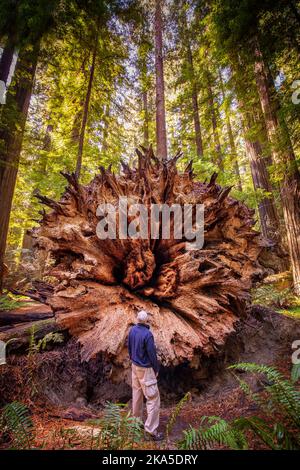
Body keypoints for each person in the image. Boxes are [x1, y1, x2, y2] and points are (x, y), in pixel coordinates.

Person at [128, 310, 163, 441]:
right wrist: (156, 368)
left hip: (135, 366)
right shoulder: (147, 334)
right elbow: (152, 354)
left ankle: (136, 424)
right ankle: (151, 430)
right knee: (153, 398)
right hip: (146, 369)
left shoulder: (132, 330)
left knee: (136, 395)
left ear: (137, 319)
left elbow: (129, 347)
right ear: (146, 320)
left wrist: (132, 358)